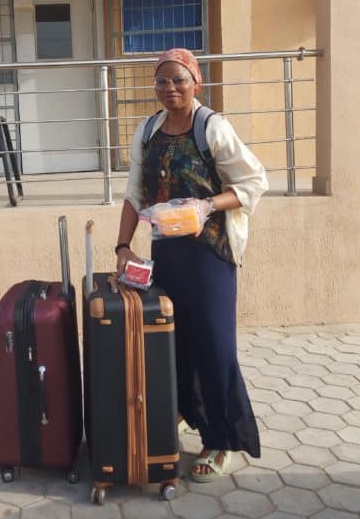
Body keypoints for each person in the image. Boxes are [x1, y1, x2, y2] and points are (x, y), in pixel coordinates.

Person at [115, 48, 268, 481]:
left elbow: (255, 181)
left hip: (210, 253)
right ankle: (192, 414)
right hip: (167, 253)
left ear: (196, 82)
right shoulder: (148, 131)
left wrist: (207, 204)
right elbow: (133, 194)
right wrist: (123, 246)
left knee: (215, 346)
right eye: (162, 81)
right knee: (174, 344)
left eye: (179, 80)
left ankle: (222, 440)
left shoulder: (211, 127)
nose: (170, 88)